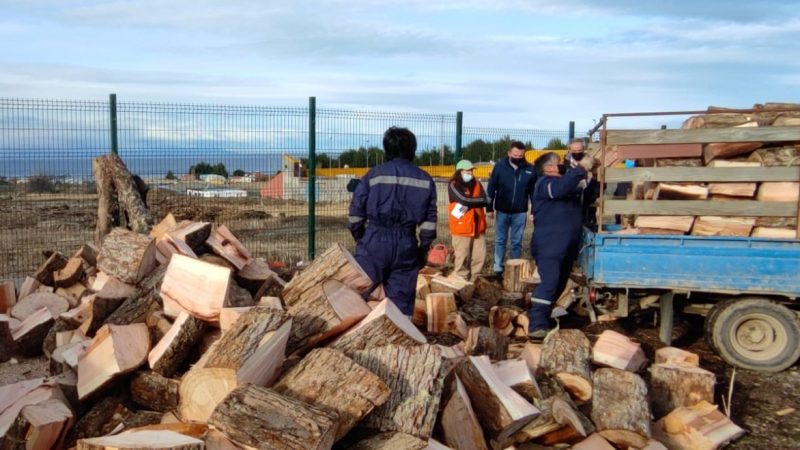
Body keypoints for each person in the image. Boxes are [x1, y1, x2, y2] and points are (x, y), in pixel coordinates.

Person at [347, 127, 437, 315]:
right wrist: (423, 248)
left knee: (358, 295)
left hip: (374, 240)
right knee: (401, 306)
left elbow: (356, 213)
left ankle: (355, 329)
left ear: (386, 149)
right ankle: (400, 332)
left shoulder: (374, 175)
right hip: (406, 244)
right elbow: (429, 221)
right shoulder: (425, 179)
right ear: (412, 149)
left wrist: (361, 237)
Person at [527, 152, 596, 338]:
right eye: (559, 162)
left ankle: (545, 317)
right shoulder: (545, 184)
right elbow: (559, 189)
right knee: (549, 282)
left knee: (559, 283)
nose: (563, 164)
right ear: (549, 168)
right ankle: (536, 325)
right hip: (549, 244)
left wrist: (595, 177)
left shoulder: (566, 186)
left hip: (566, 244)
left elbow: (586, 196)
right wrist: (581, 168)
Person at [486, 141, 537, 276]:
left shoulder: (530, 169)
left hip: (520, 212)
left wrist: (534, 211)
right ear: (509, 153)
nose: (518, 158)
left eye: (520, 155)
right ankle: (498, 267)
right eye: (515, 155)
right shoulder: (499, 167)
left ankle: (515, 268)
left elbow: (534, 192)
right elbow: (491, 187)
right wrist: (489, 208)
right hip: (502, 210)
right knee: (500, 240)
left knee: (517, 242)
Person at [448, 160, 489, 281]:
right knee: (462, 257)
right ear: (459, 171)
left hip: (478, 226)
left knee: (480, 256)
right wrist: (477, 201)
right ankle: (461, 281)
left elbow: (485, 199)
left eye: (471, 170)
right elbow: (463, 200)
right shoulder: (453, 184)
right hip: (462, 227)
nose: (470, 173)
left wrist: (473, 201)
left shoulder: (477, 183)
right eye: (467, 171)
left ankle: (476, 281)